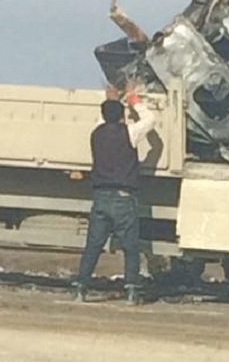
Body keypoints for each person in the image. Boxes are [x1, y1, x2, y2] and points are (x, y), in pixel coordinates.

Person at [73, 89, 157, 305]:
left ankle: (81, 287)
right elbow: (150, 119)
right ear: (122, 116)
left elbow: (103, 119)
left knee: (93, 246)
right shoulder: (129, 133)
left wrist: (112, 100)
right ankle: (131, 291)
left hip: (100, 197)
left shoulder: (96, 134)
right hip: (123, 198)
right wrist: (134, 100)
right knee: (130, 247)